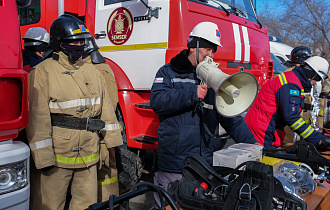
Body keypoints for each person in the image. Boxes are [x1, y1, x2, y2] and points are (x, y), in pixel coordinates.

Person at [150, 21, 258, 204]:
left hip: (205, 164)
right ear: (194, 46)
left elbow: (230, 118)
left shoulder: (213, 78)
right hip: (176, 163)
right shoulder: (168, 72)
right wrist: (191, 94)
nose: (211, 54)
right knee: (169, 204)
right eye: (207, 49)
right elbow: (158, 101)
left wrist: (252, 145)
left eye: (213, 50)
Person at [26, 14, 122, 210]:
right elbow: (37, 119)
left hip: (89, 154)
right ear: (60, 43)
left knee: (87, 205)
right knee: (49, 206)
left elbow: (106, 112)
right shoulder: (42, 72)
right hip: (56, 158)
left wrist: (109, 144)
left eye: (81, 41)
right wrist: (43, 157)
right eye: (73, 41)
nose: (79, 45)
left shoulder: (94, 72)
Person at [245, 55, 330, 149]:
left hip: (263, 126)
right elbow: (292, 117)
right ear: (312, 74)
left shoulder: (292, 79)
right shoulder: (291, 84)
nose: (315, 83)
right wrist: (318, 139)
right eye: (317, 79)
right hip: (262, 131)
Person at [83, 36, 122, 202]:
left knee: (105, 174)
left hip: (101, 133)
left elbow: (110, 104)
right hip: (102, 132)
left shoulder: (98, 69)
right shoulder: (100, 66)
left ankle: (107, 203)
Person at [282, 46, 314, 144]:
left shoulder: (303, 74)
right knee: (287, 143)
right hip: (291, 120)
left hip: (303, 117)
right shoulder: (290, 75)